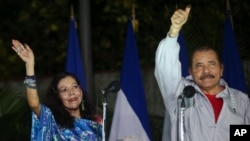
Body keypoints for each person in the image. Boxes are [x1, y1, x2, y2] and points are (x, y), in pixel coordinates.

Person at [154, 5, 250, 141]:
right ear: (190, 72)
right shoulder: (180, 94)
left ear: (221, 69)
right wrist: (173, 32)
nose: (206, 71)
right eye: (199, 66)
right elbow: (165, 68)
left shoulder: (241, 101)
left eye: (211, 64)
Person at [11, 39, 102, 141]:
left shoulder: (95, 120)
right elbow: (34, 104)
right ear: (57, 96)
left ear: (80, 90)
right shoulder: (51, 119)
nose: (71, 93)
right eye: (64, 90)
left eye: (74, 87)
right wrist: (30, 65)